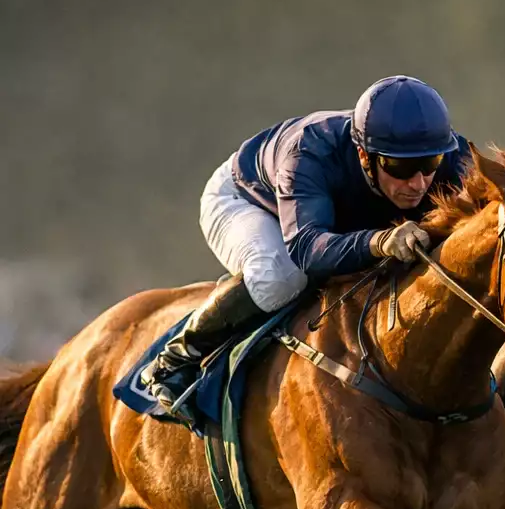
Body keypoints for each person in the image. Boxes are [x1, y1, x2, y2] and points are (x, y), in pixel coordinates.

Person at [141, 75, 471, 410]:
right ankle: (176, 358)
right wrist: (379, 241)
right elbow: (308, 250)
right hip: (246, 200)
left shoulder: (451, 156)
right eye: (399, 166)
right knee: (280, 276)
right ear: (363, 155)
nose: (418, 183)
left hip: (328, 217)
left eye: (430, 164)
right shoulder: (309, 152)